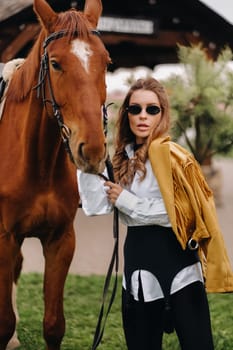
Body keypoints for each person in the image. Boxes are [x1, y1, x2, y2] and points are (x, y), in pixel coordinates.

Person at [77, 77, 233, 350]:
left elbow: (182, 212)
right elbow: (96, 207)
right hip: (137, 271)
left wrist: (127, 201)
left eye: (152, 109)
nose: (142, 116)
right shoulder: (121, 158)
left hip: (181, 268)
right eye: (135, 109)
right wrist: (89, 158)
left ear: (163, 113)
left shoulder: (174, 155)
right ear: (126, 114)